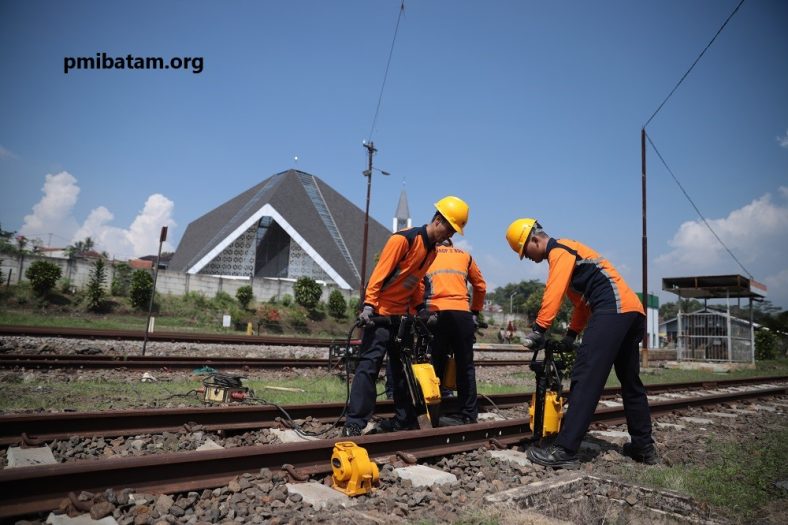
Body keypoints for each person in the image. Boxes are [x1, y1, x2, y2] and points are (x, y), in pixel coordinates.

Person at [504, 218, 657, 468]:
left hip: (613, 310)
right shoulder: (571, 255)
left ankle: (565, 450)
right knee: (630, 381)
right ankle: (643, 447)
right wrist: (571, 336)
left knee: (585, 376)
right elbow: (581, 305)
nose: (527, 257)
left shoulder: (559, 251)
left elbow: (552, 292)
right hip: (631, 313)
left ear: (534, 239)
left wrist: (539, 329)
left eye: (524, 251)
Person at [341, 196, 470, 437]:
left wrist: (421, 307)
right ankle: (355, 422)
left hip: (401, 318)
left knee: (402, 370)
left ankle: (404, 419)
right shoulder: (404, 239)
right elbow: (380, 274)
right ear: (438, 220)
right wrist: (369, 305)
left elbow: (414, 281)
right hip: (379, 313)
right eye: (449, 229)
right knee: (369, 367)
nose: (449, 236)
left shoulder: (431, 251)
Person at [422, 240, 486, 426]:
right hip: (462, 314)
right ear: (451, 243)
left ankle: (433, 412)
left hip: (436, 313)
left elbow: (418, 284)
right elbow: (480, 286)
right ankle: (468, 414)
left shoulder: (428, 254)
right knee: (465, 365)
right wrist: (475, 311)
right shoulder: (464, 255)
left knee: (435, 364)